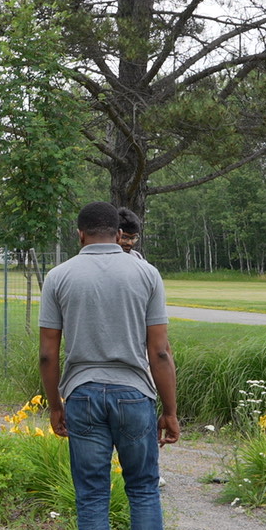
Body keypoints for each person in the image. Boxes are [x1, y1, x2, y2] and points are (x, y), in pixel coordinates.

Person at [38, 201, 182, 530]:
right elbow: (159, 350)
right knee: (142, 491)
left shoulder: (59, 276)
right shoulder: (145, 274)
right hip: (134, 394)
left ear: (79, 234)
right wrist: (170, 410)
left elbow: (48, 353)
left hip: (81, 394)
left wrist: (55, 404)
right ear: (118, 232)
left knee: (92, 499)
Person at [117, 207, 166, 488]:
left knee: (143, 423)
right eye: (126, 238)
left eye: (134, 239)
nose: (130, 244)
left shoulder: (142, 265)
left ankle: (150, 470)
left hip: (140, 356)